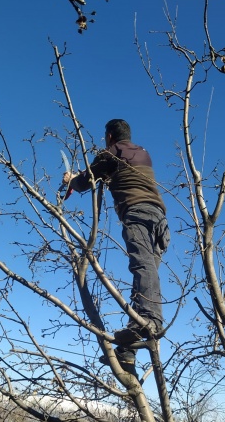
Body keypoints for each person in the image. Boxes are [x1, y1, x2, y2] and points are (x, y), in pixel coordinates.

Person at [63, 119, 170, 369]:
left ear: (110, 136)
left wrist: (71, 179)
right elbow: (111, 173)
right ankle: (127, 351)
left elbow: (86, 180)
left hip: (137, 214)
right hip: (160, 221)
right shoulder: (142, 153)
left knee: (142, 267)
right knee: (146, 278)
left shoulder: (112, 152)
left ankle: (150, 320)